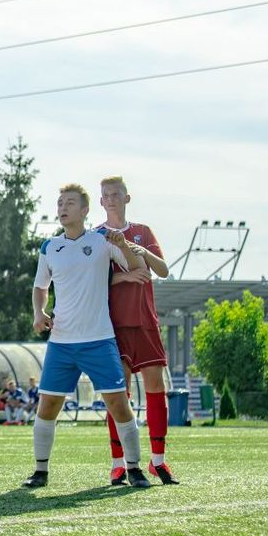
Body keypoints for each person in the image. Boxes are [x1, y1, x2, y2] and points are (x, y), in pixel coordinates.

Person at [24, 183, 150, 489]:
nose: (63, 207)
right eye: (59, 202)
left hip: (99, 339)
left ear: (84, 210)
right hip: (62, 342)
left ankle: (133, 469)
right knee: (48, 407)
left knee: (118, 404)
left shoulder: (103, 239)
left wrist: (123, 246)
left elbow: (138, 267)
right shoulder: (49, 247)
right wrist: (39, 313)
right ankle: (40, 471)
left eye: (69, 202)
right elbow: (41, 287)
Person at [97, 175, 178, 485]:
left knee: (156, 387)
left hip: (145, 321)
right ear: (101, 201)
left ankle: (158, 460)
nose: (112, 198)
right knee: (119, 394)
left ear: (127, 198)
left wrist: (140, 252)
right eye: (107, 195)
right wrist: (124, 278)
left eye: (117, 193)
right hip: (112, 324)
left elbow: (163, 270)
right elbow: (94, 281)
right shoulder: (96, 236)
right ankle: (119, 463)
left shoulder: (142, 232)